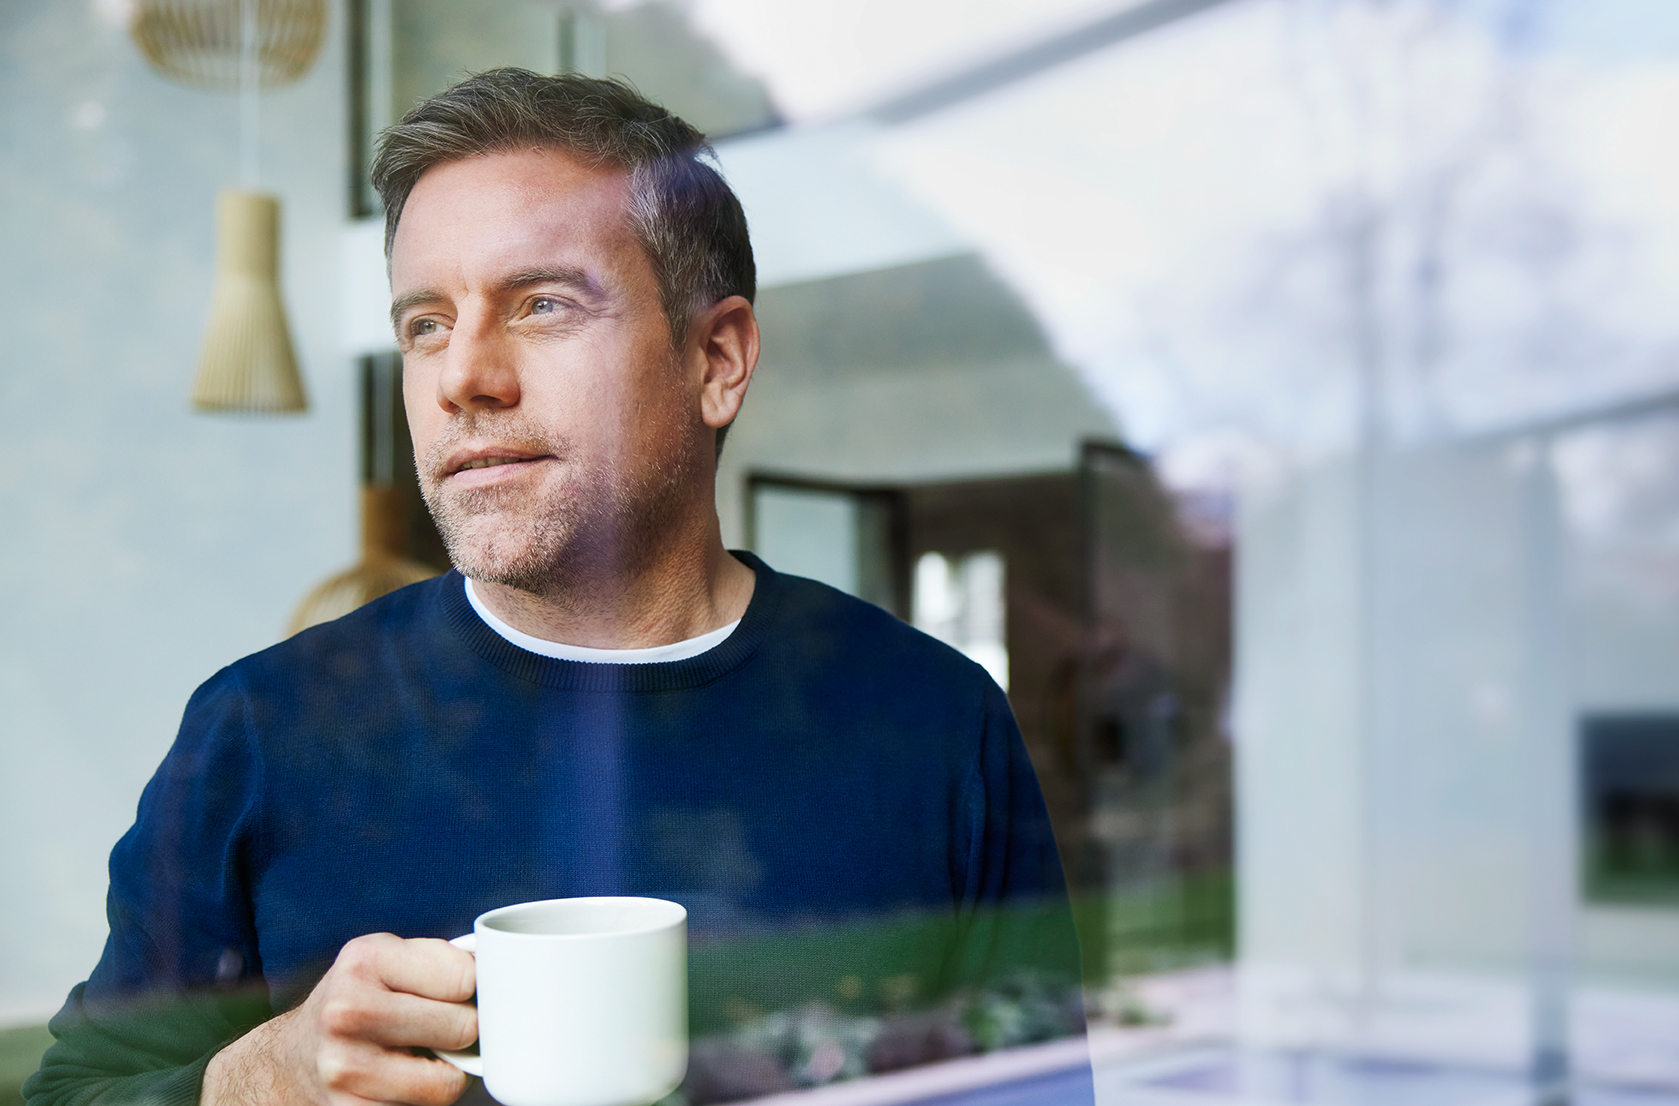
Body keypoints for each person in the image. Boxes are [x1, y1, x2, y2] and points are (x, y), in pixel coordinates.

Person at [27, 69, 1081, 1106]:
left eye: (540, 304)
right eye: (425, 322)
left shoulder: (936, 724)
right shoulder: (262, 730)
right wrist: (259, 1082)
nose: (461, 377)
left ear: (716, 358)